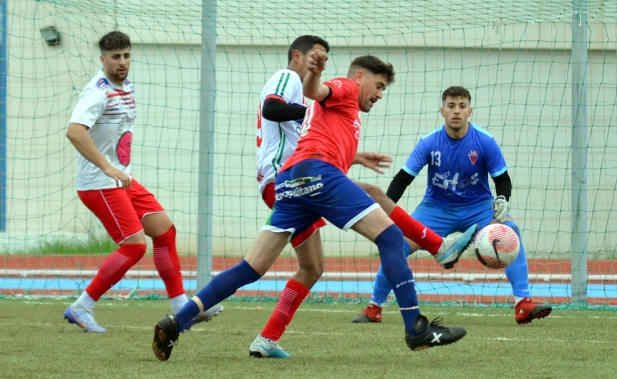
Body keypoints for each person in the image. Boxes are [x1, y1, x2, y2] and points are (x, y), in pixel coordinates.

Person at [152, 51, 469, 362]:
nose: (381, 94)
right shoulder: (347, 87)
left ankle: (178, 321)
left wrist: (355, 156)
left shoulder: (345, 116)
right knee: (389, 238)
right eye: (380, 85)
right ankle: (416, 326)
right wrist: (314, 74)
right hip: (316, 175)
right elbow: (315, 91)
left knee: (255, 267)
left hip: (291, 181)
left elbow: (321, 133)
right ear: (360, 77)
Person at [250, 36, 477, 358]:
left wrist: (352, 155)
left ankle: (252, 334)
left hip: (297, 177)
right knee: (380, 237)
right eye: (317, 56)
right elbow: (275, 109)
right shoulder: (289, 77)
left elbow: (312, 136)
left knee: (311, 266)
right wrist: (316, 106)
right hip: (292, 180)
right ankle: (428, 276)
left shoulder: (322, 97)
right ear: (298, 56)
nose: (321, 62)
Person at [351, 86, 552, 325]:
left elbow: (502, 179)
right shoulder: (428, 142)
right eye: (451, 106)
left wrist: (503, 200)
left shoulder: (485, 141)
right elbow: (403, 179)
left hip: (478, 207)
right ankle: (374, 307)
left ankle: (522, 303)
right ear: (442, 111)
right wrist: (386, 212)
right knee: (395, 243)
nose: (456, 111)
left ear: (470, 111)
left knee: (512, 232)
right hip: (435, 208)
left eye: (462, 106)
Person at [64, 31, 222, 333]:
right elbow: (74, 131)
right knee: (134, 247)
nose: (122, 62)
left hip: (123, 181)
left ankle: (182, 309)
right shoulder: (97, 92)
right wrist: (109, 168)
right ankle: (81, 307)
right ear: (102, 59)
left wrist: (118, 171)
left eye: (126, 56)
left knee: (164, 230)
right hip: (99, 183)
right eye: (115, 57)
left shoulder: (127, 86)